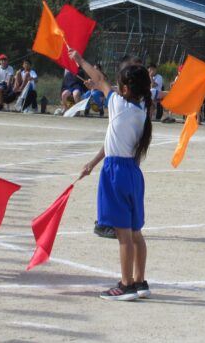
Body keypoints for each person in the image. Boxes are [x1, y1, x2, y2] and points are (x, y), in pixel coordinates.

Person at [70, 48, 153, 300]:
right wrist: (92, 163)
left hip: (116, 173)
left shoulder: (117, 104)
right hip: (132, 173)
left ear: (126, 90)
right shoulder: (140, 112)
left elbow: (100, 78)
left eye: (120, 85)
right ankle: (140, 282)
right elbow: (113, 141)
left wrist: (79, 60)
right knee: (136, 234)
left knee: (123, 235)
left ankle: (125, 284)